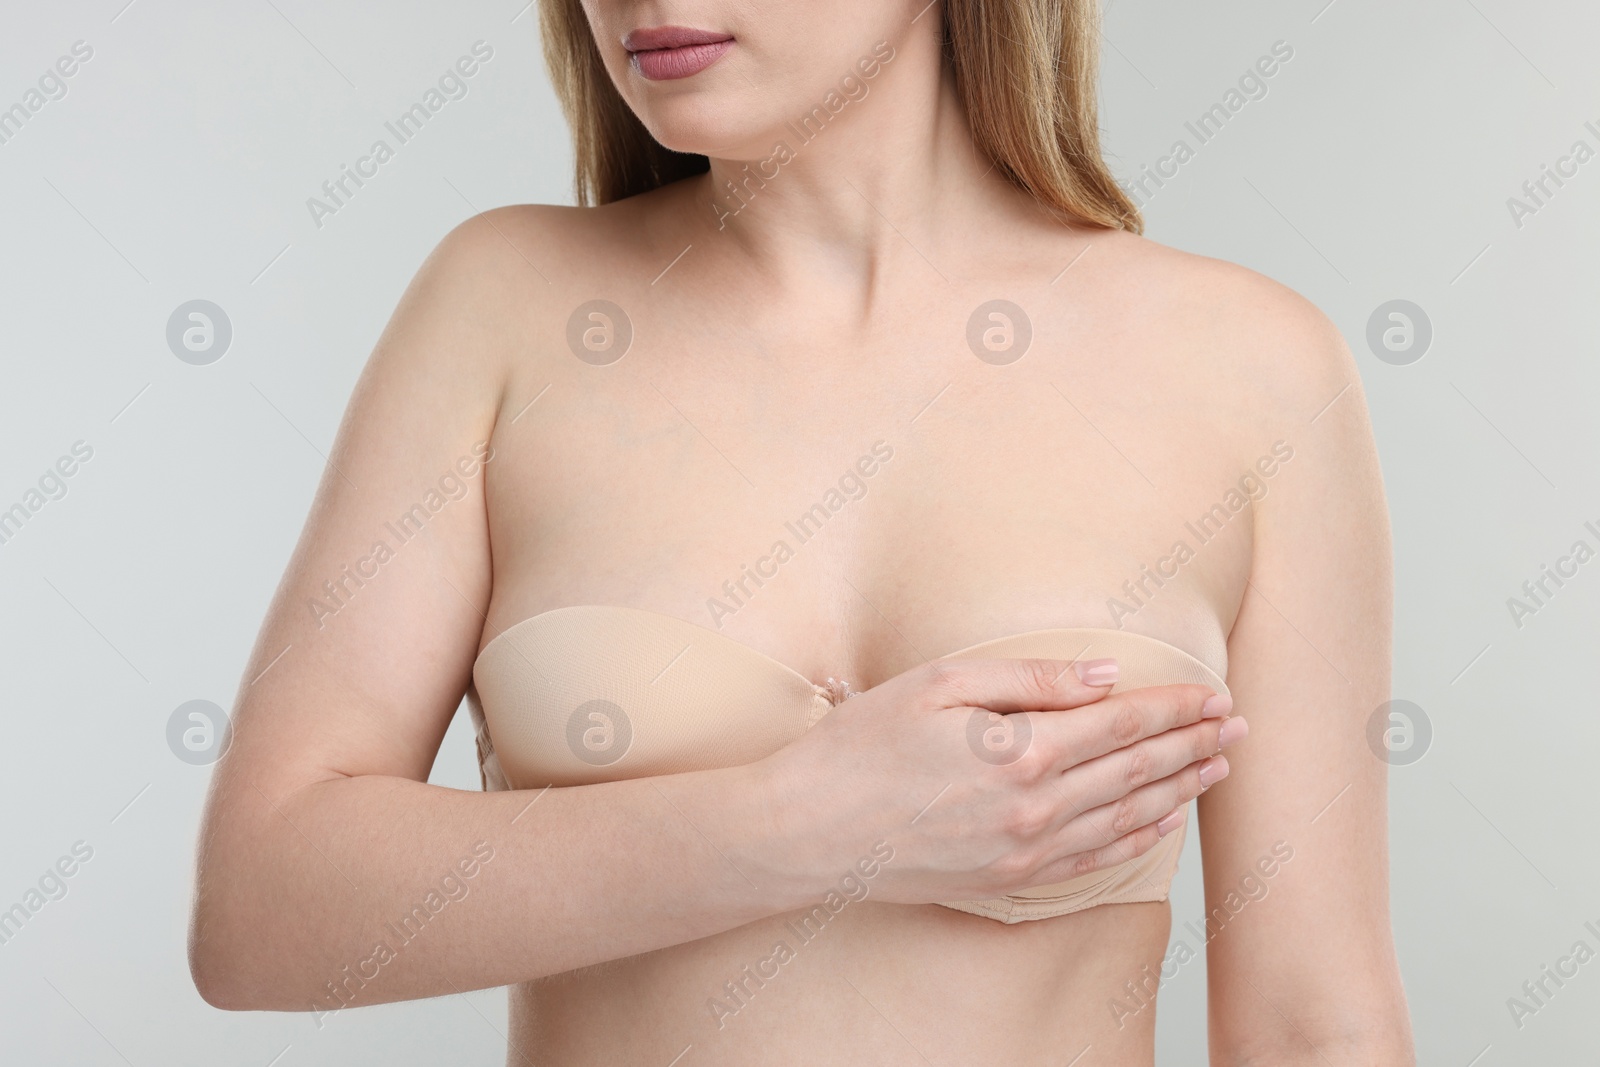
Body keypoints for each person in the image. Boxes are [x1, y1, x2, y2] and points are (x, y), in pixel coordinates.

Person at [188, 1, 1415, 1062]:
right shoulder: (506, 303)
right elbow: (258, 904)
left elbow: (1313, 1030)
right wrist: (807, 824)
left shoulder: (1250, 368)